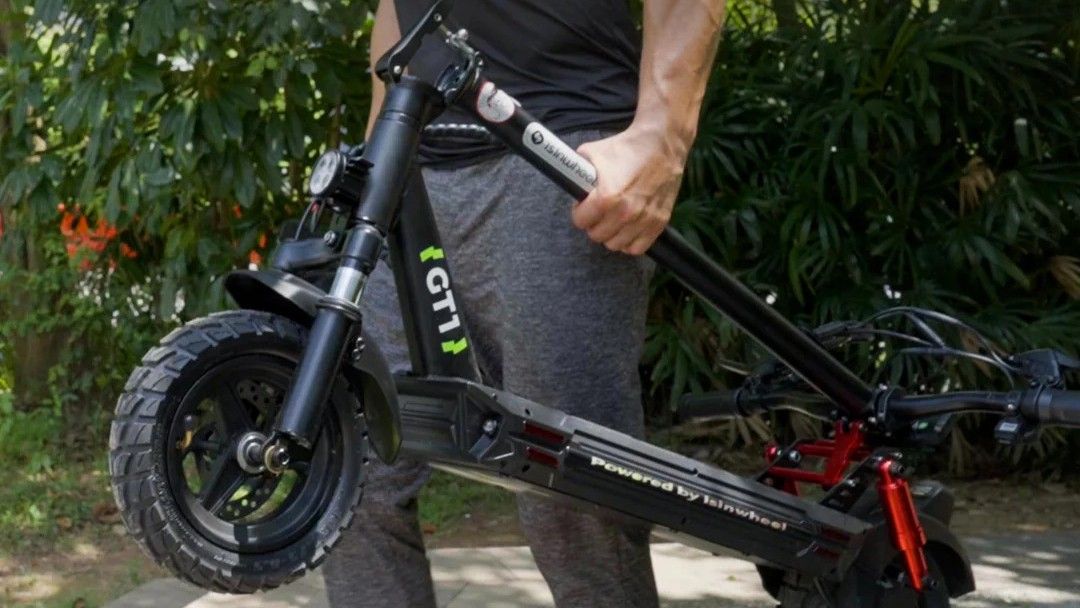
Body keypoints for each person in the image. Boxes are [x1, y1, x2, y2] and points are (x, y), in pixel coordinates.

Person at [323, 1, 725, 606]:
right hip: (413, 169)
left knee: (571, 497)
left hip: (560, 151)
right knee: (347, 467)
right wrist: (377, 160)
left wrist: (662, 138)